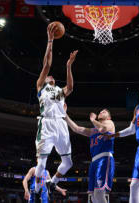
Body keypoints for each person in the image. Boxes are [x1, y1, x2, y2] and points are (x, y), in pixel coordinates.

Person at [34, 23, 78, 201]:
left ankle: (51, 183)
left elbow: (71, 87)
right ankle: (37, 190)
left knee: (68, 163)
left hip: (61, 123)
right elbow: (47, 65)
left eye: (52, 76)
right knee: (42, 163)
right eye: (48, 76)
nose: (51, 76)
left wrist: (68, 66)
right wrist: (50, 41)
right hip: (46, 124)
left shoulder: (59, 91)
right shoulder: (40, 87)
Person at [65, 109, 115, 203]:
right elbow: (76, 129)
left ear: (109, 117)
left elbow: (103, 129)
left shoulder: (110, 123)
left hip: (104, 158)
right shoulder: (93, 130)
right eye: (100, 111)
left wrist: (92, 120)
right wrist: (65, 115)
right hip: (94, 161)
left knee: (99, 193)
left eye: (104, 112)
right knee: (93, 196)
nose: (100, 112)